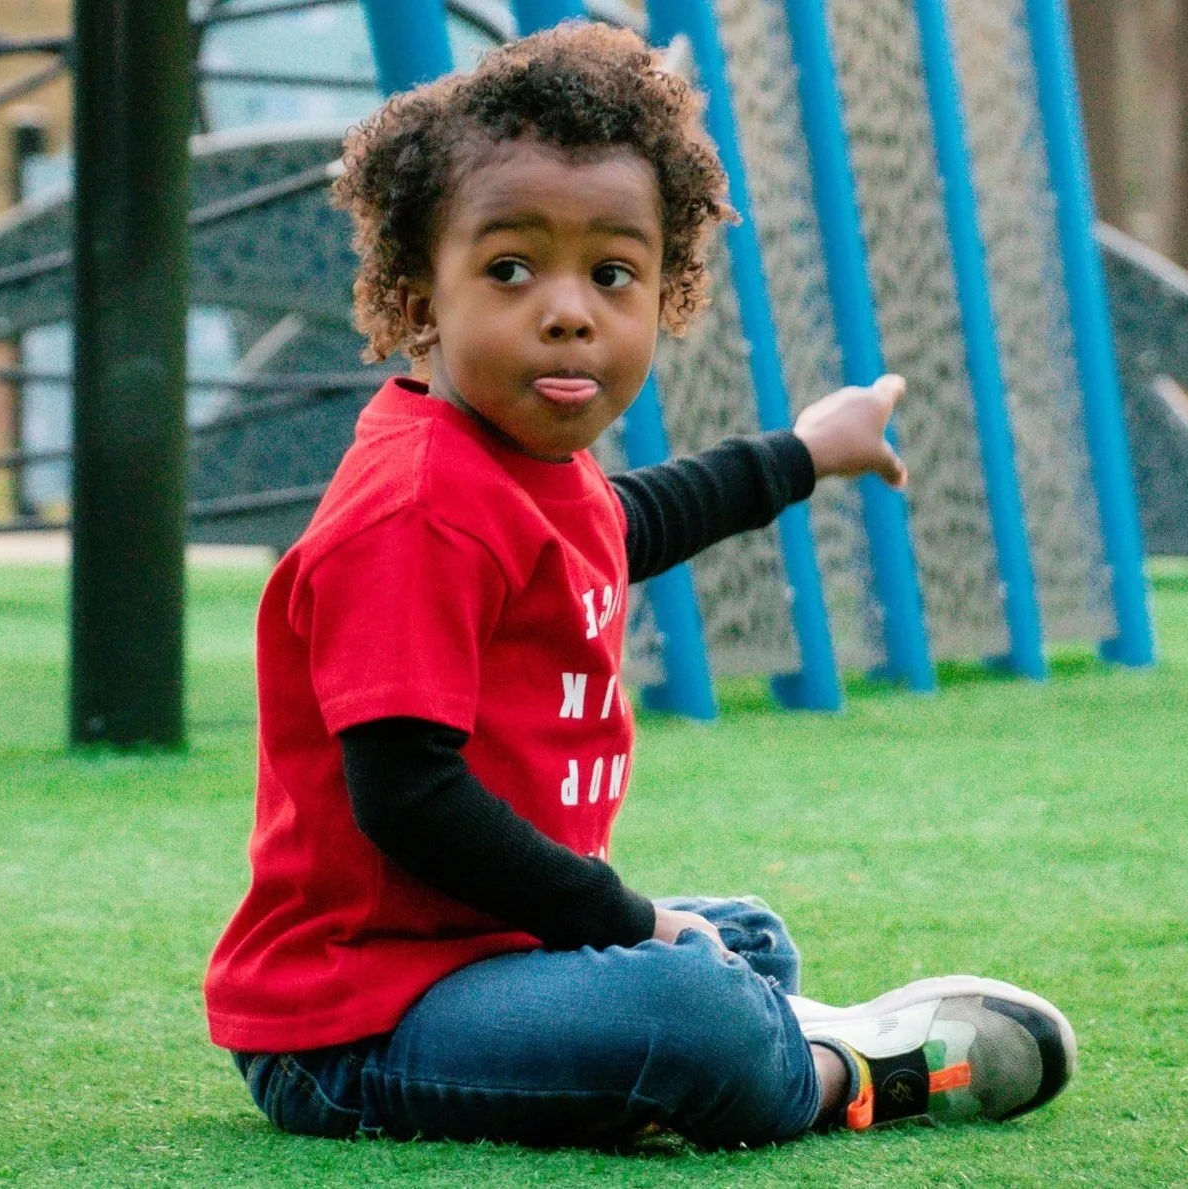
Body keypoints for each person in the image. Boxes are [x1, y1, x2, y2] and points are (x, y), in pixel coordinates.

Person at [203, 22, 1073, 1148]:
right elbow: (406, 796)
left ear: (666, 292)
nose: (569, 308)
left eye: (612, 273)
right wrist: (625, 920)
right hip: (355, 1024)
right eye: (510, 267)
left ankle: (747, 1036)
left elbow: (633, 522)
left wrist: (806, 451)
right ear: (420, 292)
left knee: (743, 941)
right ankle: (842, 1073)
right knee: (691, 1007)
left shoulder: (523, 467)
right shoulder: (415, 506)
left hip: (489, 957)